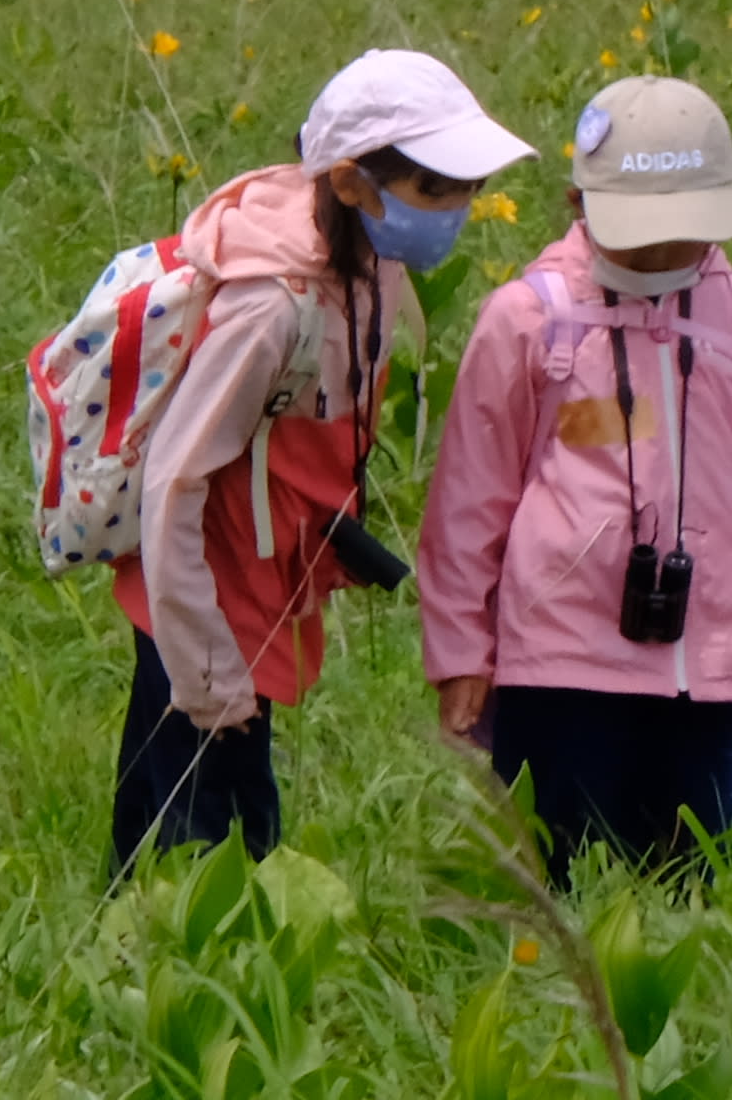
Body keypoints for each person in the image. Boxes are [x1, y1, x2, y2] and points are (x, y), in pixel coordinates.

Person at [111, 44, 534, 881]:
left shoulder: (370, 263)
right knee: (200, 826)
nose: (456, 210)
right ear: (349, 182)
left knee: (227, 801)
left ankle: (173, 938)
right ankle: (168, 963)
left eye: (467, 190)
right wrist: (204, 665)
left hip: (261, 584)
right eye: (434, 191)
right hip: (202, 591)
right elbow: (174, 481)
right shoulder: (270, 308)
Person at [416, 76, 732, 880]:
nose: (660, 256)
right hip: (559, 661)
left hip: (710, 667)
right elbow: (469, 502)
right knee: (559, 875)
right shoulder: (529, 320)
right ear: (580, 203)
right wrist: (462, 652)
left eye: (681, 233)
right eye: (639, 232)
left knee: (688, 877)